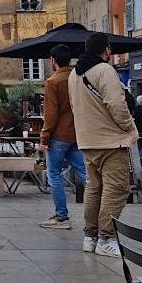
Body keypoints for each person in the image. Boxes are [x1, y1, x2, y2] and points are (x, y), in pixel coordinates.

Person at [69, 32, 139, 257]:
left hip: (87, 139)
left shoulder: (74, 74)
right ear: (107, 50)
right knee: (117, 188)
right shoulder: (105, 70)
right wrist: (129, 127)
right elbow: (117, 105)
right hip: (111, 140)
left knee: (94, 188)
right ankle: (106, 238)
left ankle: (90, 237)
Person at [38, 44, 87, 230]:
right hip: (78, 133)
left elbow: (51, 113)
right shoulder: (79, 79)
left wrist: (44, 136)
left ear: (53, 61)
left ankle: (61, 216)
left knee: (54, 174)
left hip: (58, 136)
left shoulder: (53, 82)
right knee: (85, 173)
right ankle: (99, 211)